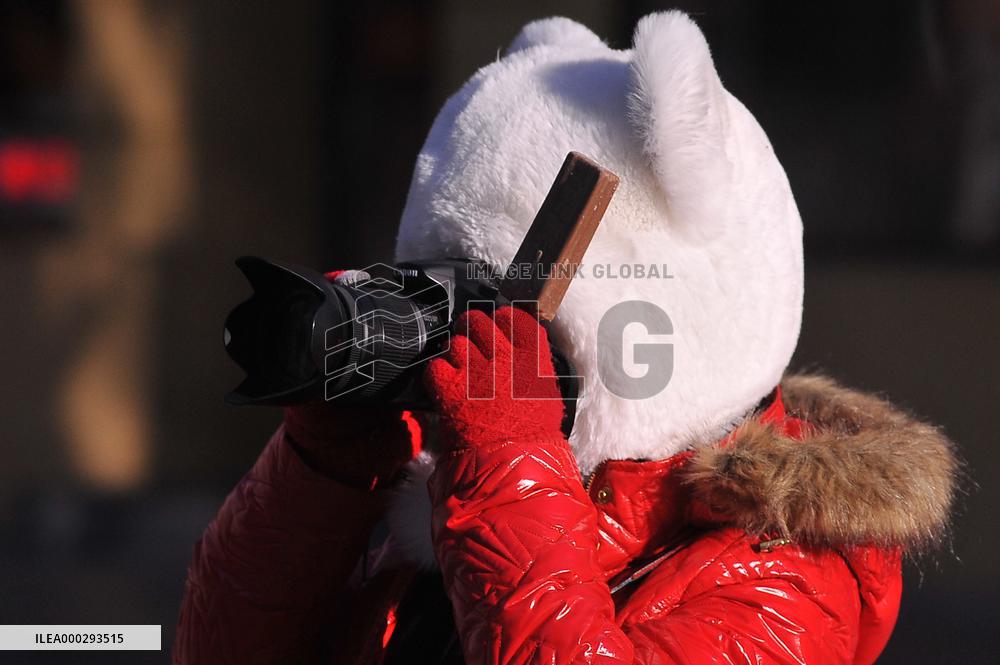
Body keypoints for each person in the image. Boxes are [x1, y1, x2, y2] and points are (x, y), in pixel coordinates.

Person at [175, 11, 958, 664]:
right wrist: (321, 474)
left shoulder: (787, 573)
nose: (465, 346)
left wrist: (511, 460)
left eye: (506, 307)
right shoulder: (452, 508)